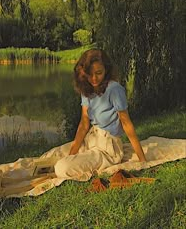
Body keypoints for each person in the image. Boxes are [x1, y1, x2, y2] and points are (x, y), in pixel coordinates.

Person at [41, 49, 146, 180]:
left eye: (99, 73)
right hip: (91, 139)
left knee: (61, 168)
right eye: (90, 74)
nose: (94, 78)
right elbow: (84, 123)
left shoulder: (114, 89)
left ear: (106, 70)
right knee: (50, 157)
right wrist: (72, 154)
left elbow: (126, 123)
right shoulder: (87, 89)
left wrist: (142, 160)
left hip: (107, 149)